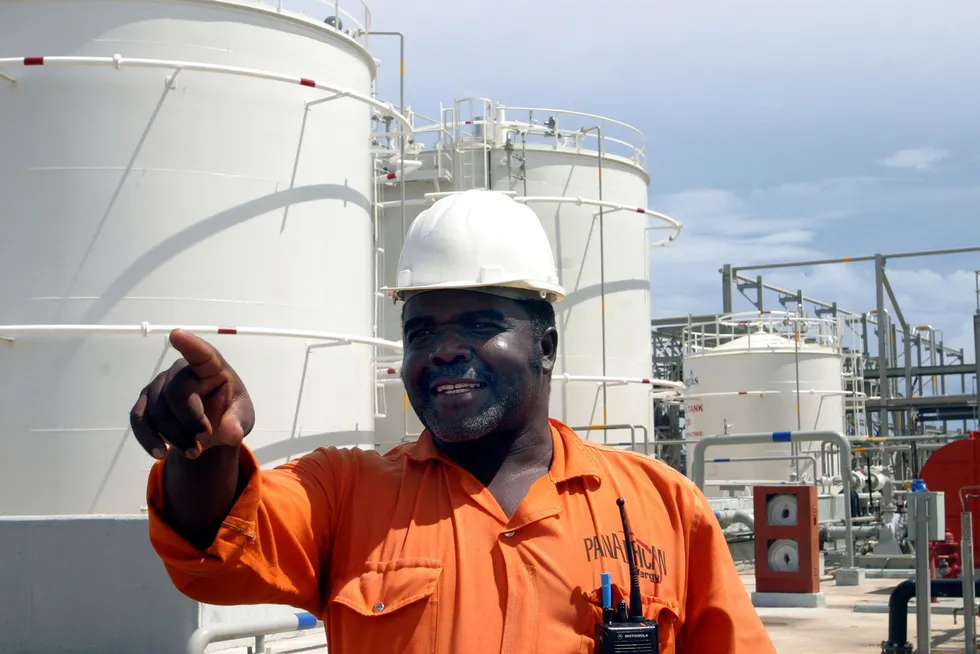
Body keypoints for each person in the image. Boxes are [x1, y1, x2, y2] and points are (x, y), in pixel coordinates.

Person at [131, 189, 776, 654]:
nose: (443, 349)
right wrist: (204, 451)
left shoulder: (660, 504)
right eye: (422, 331)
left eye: (480, 323)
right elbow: (215, 549)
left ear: (546, 345)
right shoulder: (345, 490)